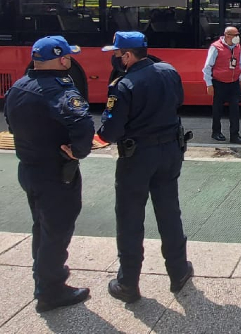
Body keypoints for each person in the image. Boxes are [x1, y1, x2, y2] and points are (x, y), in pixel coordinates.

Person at [97, 31, 194, 302]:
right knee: (169, 212)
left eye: (117, 54)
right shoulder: (169, 71)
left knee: (129, 218)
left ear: (127, 55)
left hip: (137, 157)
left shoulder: (123, 85)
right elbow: (178, 103)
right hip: (170, 152)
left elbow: (110, 131)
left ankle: (128, 283)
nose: (116, 59)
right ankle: (178, 271)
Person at [4, 36, 93, 313]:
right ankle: (50, 291)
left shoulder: (19, 86)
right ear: (64, 59)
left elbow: (9, 121)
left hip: (28, 169)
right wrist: (78, 151)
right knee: (57, 230)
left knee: (41, 227)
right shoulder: (59, 89)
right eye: (68, 56)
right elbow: (83, 124)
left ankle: (43, 278)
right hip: (56, 173)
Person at [203, 26, 241, 145]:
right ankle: (216, 132)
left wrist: (238, 77)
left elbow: (240, 63)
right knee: (217, 109)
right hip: (219, 82)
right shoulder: (215, 47)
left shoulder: (237, 47)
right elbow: (207, 67)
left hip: (233, 83)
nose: (237, 37)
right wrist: (209, 84)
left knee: (235, 110)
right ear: (227, 35)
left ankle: (235, 135)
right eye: (235, 35)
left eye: (238, 35)